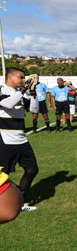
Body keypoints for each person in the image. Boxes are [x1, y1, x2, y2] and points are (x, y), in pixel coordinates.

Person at [0, 68, 39, 211]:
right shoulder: (2, 89)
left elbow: (34, 109)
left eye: (25, 78)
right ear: (10, 76)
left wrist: (33, 92)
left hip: (21, 139)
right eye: (21, 77)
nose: (24, 80)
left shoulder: (20, 93)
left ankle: (20, 200)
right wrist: (23, 89)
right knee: (3, 175)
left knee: (32, 169)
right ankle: (5, 204)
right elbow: (7, 104)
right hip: (5, 138)